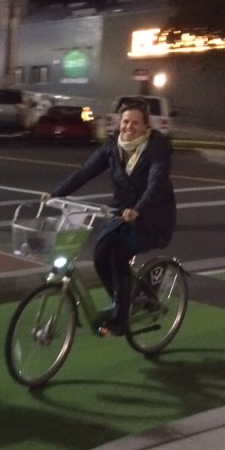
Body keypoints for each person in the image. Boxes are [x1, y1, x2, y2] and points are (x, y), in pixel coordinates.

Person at [47, 98, 176, 336]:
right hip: (120, 213)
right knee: (100, 255)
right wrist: (56, 194)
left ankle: (121, 318)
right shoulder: (112, 146)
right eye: (125, 121)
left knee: (118, 256)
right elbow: (85, 171)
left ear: (146, 126)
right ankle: (124, 301)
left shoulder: (156, 146)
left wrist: (139, 208)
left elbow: (156, 181)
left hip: (151, 215)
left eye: (135, 123)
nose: (129, 127)